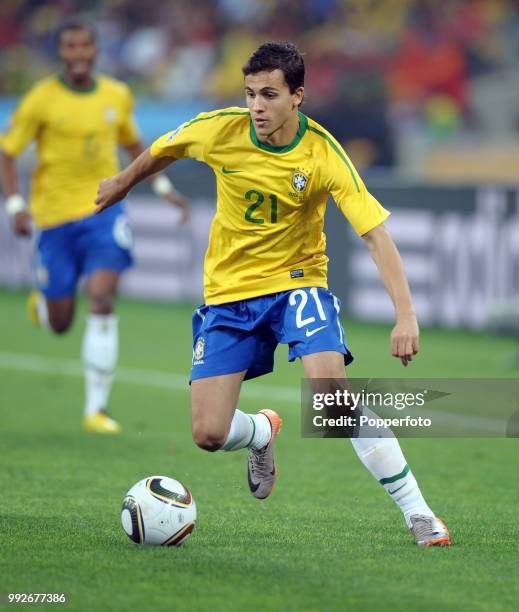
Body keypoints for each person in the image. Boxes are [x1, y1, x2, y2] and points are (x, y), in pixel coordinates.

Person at [95, 42, 451, 546]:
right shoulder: (220, 129)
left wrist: (406, 315)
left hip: (297, 283)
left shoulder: (324, 153)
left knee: (332, 401)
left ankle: (419, 512)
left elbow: (375, 235)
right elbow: (163, 149)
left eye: (268, 94)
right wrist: (123, 183)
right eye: (249, 94)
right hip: (229, 294)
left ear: (297, 96)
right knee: (208, 435)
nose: (256, 106)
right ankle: (261, 432)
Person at [0, 18, 188, 434]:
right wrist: (15, 204)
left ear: (96, 51)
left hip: (105, 211)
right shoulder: (41, 99)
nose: (79, 54)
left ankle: (96, 409)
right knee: (62, 322)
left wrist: (162, 188)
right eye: (70, 47)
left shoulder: (116, 95)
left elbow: (135, 147)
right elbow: (8, 152)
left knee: (103, 297)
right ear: (61, 53)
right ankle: (45, 304)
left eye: (86, 46)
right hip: (53, 218)